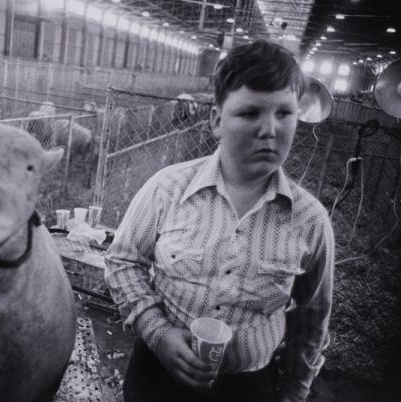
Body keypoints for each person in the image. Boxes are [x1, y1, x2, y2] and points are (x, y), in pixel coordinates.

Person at [104, 39, 334, 402]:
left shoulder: (309, 220)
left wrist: (293, 393)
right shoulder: (168, 189)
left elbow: (311, 318)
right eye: (249, 113)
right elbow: (123, 260)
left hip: (250, 388)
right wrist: (157, 331)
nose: (270, 130)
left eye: (284, 113)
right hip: (157, 374)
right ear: (216, 120)